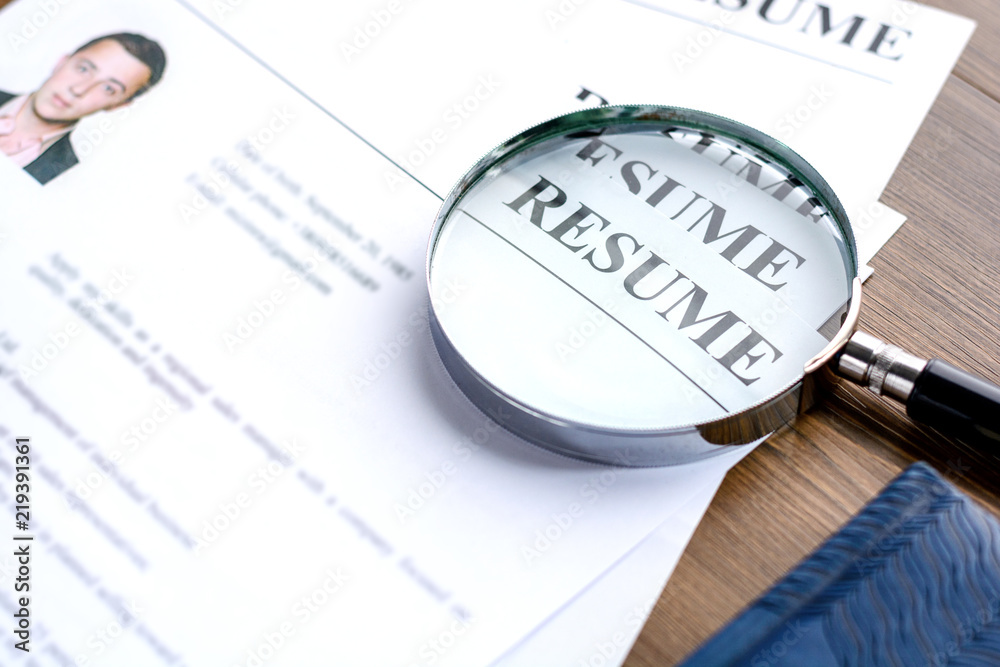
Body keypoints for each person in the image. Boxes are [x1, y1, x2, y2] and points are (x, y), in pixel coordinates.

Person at [0, 33, 166, 184]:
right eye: (83, 69)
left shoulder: (65, 177)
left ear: (118, 105)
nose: (78, 89)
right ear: (62, 61)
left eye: (108, 88)